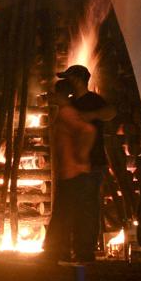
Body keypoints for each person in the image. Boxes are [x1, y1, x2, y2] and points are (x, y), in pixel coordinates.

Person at [56, 65, 117, 262]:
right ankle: (74, 250)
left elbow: (110, 112)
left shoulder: (93, 100)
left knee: (88, 208)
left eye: (69, 77)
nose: (68, 82)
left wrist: (92, 115)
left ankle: (84, 252)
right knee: (75, 207)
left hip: (93, 162)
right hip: (76, 165)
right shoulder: (72, 103)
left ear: (79, 79)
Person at [42, 79, 99, 262]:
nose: (51, 96)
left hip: (74, 174)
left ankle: (63, 252)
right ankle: (65, 252)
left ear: (62, 95)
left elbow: (89, 130)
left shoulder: (67, 113)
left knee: (66, 214)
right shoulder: (65, 112)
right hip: (71, 173)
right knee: (67, 214)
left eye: (54, 93)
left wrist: (81, 154)